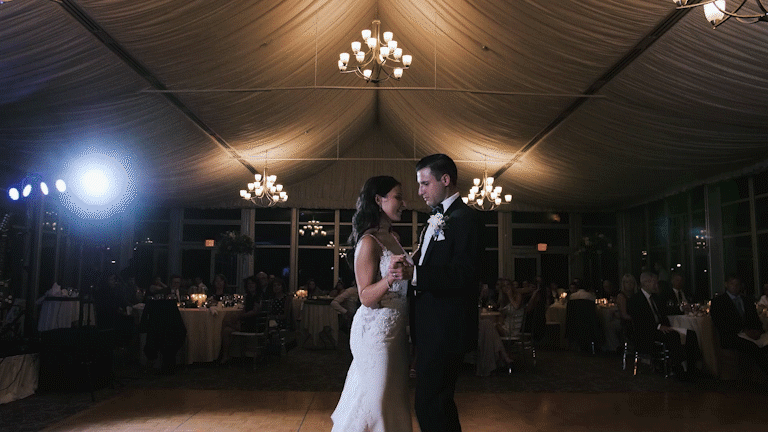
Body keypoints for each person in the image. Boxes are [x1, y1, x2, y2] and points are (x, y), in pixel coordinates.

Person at [331, 175, 413, 431]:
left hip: (397, 334)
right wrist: (389, 278)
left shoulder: (394, 237)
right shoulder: (368, 242)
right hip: (376, 335)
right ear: (379, 200)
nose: (404, 203)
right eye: (398, 197)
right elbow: (365, 296)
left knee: (394, 401)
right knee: (377, 404)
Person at [411, 154, 483, 432]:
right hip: (432, 327)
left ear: (445, 180)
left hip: (447, 327)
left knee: (431, 404)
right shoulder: (437, 218)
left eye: (425, 183)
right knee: (435, 404)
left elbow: (465, 273)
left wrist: (416, 274)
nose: (420, 191)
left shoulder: (465, 219)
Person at [710, 274, 768, 376]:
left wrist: (757, 331)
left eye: (737, 284)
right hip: (732, 335)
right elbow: (720, 323)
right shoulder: (718, 302)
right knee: (752, 347)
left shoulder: (747, 300)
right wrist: (743, 331)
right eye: (732, 284)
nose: (735, 287)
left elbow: (755, 319)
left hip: (750, 333)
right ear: (726, 285)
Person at [219, 275, 263, 364]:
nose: (250, 285)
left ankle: (224, 354)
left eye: (252, 283)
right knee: (226, 328)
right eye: (249, 284)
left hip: (254, 324)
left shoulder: (258, 296)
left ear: (256, 285)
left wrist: (240, 317)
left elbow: (255, 312)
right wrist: (238, 316)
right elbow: (244, 309)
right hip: (248, 322)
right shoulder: (249, 296)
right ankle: (227, 354)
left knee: (226, 322)